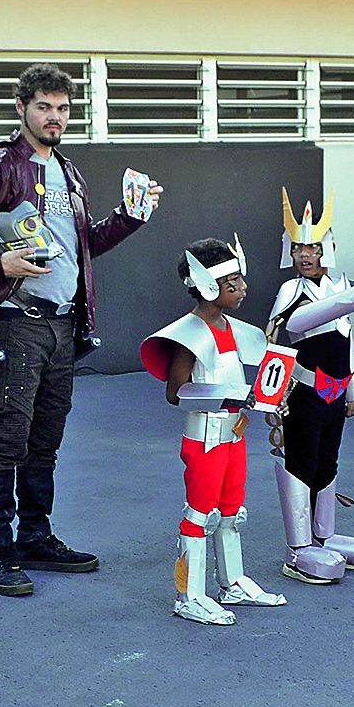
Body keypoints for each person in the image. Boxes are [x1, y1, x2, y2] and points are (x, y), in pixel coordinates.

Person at [0, 63, 158, 596]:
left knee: (46, 437)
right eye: (44, 107)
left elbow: (83, 244)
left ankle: (34, 537)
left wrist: (131, 216)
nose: (54, 117)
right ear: (21, 108)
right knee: (8, 437)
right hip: (15, 319)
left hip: (63, 321)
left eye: (62, 108)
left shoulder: (68, 171)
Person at [140, 238, 288, 625]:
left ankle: (232, 582)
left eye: (240, 280)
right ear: (208, 286)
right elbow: (176, 392)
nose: (243, 289)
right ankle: (189, 595)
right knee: (199, 513)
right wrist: (231, 396)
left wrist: (263, 397)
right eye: (232, 283)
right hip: (204, 437)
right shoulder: (189, 334)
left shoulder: (234, 329)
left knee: (231, 511)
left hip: (233, 434)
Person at [267, 193, 354, 584]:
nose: (306, 255)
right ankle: (298, 548)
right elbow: (294, 325)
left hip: (336, 391)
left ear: (326, 249)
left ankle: (324, 535)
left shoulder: (341, 285)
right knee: (301, 463)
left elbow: (347, 339)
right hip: (303, 391)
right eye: (298, 248)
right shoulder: (292, 289)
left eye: (313, 247)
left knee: (328, 462)